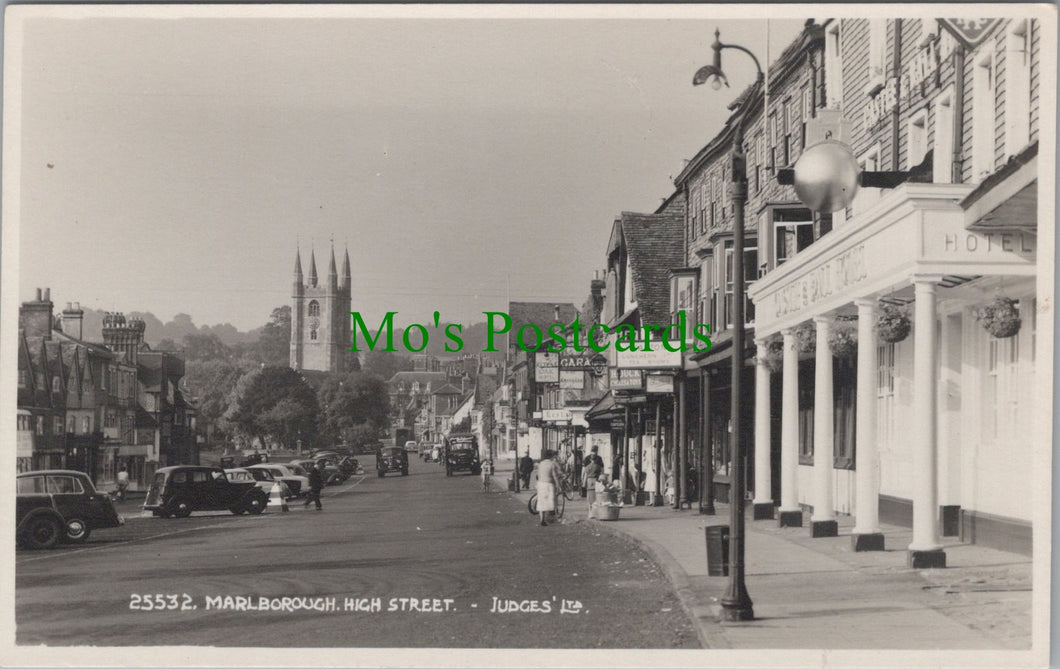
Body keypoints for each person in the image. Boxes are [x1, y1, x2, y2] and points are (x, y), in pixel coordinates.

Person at [536, 450, 562, 526]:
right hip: (549, 484)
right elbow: (555, 476)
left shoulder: (541, 464)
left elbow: (538, 474)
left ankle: (542, 519)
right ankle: (551, 518)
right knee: (551, 501)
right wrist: (558, 485)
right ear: (550, 456)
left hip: (541, 484)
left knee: (541, 502)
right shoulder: (552, 464)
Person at [582, 454, 602, 519]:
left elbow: (585, 476)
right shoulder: (598, 467)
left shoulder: (587, 467)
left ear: (590, 459)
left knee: (589, 498)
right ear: (596, 460)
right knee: (596, 498)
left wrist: (584, 484)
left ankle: (590, 514)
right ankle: (596, 513)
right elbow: (601, 475)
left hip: (589, 482)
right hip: (596, 481)